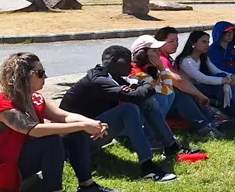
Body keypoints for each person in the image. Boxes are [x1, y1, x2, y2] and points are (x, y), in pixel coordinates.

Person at [0, 53, 118, 192]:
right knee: (50, 140)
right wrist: (83, 125)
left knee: (74, 130)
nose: (46, 76)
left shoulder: (34, 98)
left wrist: (91, 123)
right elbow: (34, 130)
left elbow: (63, 116)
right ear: (23, 77)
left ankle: (87, 185)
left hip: (17, 158)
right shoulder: (6, 108)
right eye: (40, 73)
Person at [59, 46, 183, 182]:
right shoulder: (98, 81)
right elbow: (137, 94)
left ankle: (171, 147)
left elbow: (140, 91)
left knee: (147, 101)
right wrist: (143, 88)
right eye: (127, 60)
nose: (131, 65)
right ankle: (148, 167)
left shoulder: (113, 77)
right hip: (76, 142)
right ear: (113, 60)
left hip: (95, 131)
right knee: (128, 109)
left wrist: (140, 88)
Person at [129, 33, 223, 138]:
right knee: (178, 94)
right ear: (143, 54)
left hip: (157, 108)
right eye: (154, 51)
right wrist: (162, 68)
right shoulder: (137, 73)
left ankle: (210, 122)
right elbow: (168, 90)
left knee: (183, 93)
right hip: (142, 113)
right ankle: (204, 126)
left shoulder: (151, 68)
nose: (158, 53)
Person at [176, 31, 235, 119]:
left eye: (208, 42)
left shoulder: (203, 58)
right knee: (221, 80)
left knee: (222, 75)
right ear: (193, 43)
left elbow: (216, 71)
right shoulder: (185, 60)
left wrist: (231, 75)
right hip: (193, 91)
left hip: (202, 87)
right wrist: (223, 80)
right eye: (204, 42)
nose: (207, 45)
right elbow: (201, 78)